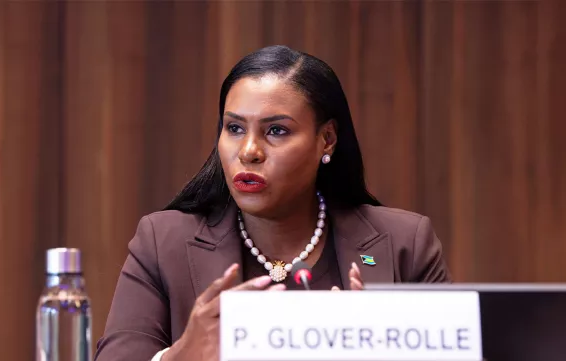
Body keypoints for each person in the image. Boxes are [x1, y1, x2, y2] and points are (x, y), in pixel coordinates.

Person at [94, 45, 451, 361]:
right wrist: (180, 357)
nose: (248, 151)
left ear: (326, 139)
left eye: (276, 130)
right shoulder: (161, 242)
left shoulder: (406, 243)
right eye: (234, 128)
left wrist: (395, 351)